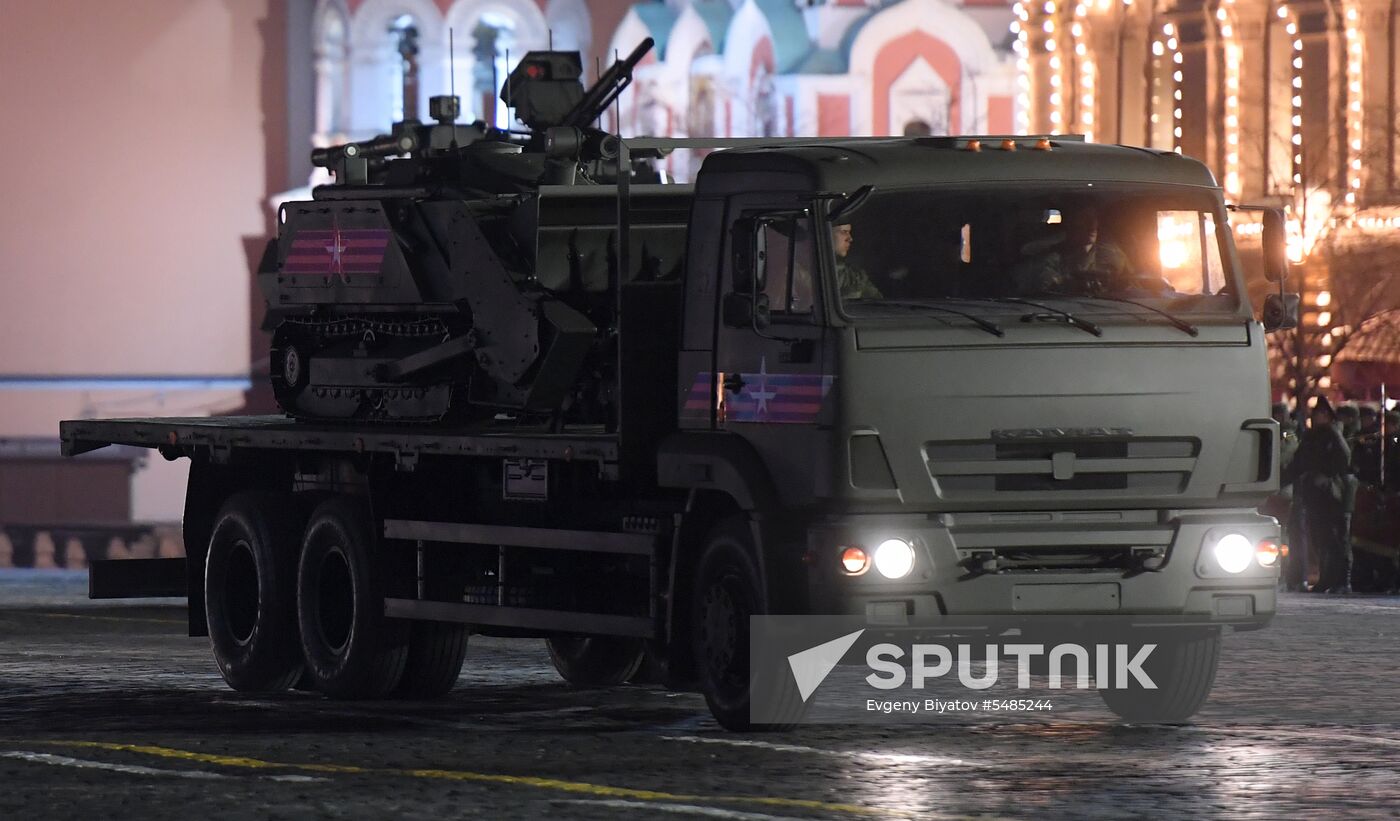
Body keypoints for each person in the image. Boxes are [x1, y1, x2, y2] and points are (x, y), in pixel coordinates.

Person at [1282, 397, 1355, 594]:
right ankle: (1327, 579)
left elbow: (1343, 459)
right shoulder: (1312, 436)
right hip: (1314, 494)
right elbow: (1299, 463)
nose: (1315, 418)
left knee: (1334, 539)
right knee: (1320, 538)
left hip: (1330, 495)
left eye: (1319, 414)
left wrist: (1326, 475)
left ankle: (1340, 580)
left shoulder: (1331, 434)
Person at [1018, 209, 1133, 295]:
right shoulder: (1052, 259)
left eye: (1094, 220)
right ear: (1071, 226)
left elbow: (1131, 289)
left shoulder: (1114, 256)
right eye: (1084, 221)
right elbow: (1044, 294)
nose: (1092, 226)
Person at [831, 223, 882, 300]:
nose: (850, 238)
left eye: (849, 233)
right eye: (844, 232)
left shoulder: (856, 276)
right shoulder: (809, 273)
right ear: (827, 233)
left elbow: (877, 303)